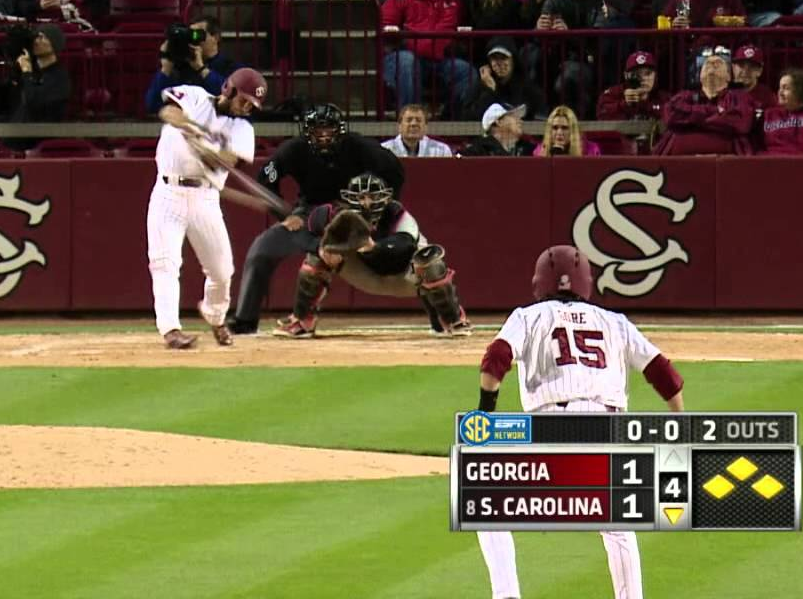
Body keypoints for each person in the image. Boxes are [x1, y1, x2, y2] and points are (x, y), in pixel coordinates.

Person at [475, 245, 685, 599]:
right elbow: (663, 373)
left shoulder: (528, 317)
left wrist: (485, 412)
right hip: (607, 428)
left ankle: (507, 595)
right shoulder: (615, 322)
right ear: (587, 281)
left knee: (483, 496)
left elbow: (495, 360)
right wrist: (679, 427)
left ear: (539, 281)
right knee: (617, 525)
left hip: (550, 427)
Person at [228, 103, 404, 335]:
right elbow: (266, 179)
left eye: (328, 130)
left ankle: (303, 317)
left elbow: (395, 171)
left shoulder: (358, 145)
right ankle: (245, 320)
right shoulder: (294, 149)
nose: (323, 136)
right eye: (317, 131)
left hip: (350, 215)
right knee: (261, 250)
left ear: (340, 130)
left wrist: (376, 212)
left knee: (377, 259)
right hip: (308, 213)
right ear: (307, 131)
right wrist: (286, 214)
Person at [273, 173, 471, 338]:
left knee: (432, 262)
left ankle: (452, 319)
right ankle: (302, 320)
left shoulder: (398, 215)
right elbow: (303, 236)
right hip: (363, 273)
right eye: (361, 197)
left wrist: (375, 247)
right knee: (315, 258)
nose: (367, 203)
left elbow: (403, 247)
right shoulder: (332, 215)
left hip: (404, 276)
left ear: (385, 198)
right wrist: (321, 248)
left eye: (373, 196)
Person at [149, 70, 264, 349]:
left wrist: (204, 147)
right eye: (244, 100)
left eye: (252, 105)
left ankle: (215, 316)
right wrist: (191, 128)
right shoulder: (196, 96)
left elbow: (226, 161)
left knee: (222, 270)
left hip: (205, 198)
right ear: (229, 89)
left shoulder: (242, 129)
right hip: (168, 192)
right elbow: (168, 111)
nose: (246, 107)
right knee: (164, 263)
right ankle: (170, 330)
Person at [380, 0, 473, 116]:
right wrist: (396, 36)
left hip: (441, 59)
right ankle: (409, 118)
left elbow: (463, 31)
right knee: (407, 61)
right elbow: (385, 25)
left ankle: (451, 119)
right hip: (404, 56)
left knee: (466, 71)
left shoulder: (456, 2)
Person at [654, 48, 756, 155]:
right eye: (707, 63)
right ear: (700, 76)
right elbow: (670, 116)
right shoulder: (684, 95)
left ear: (729, 76)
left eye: (718, 63)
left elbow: (741, 123)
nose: (712, 64)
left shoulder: (739, 96)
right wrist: (716, 112)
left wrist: (692, 119)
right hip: (678, 163)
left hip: (727, 164)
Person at [145, 16, 242, 113]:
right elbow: (152, 105)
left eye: (197, 35)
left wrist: (202, 69)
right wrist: (166, 69)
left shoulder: (232, 68)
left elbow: (233, 99)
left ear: (215, 37)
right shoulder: (179, 70)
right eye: (190, 35)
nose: (193, 39)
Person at [463, 36, 546, 124]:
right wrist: (490, 91)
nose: (499, 63)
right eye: (494, 58)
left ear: (513, 60)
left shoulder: (527, 87)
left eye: (503, 58)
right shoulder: (481, 85)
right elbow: (468, 118)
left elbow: (541, 116)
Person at [10, 24, 71, 122]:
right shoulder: (32, 72)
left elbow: (33, 101)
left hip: (41, 132)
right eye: (35, 37)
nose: (36, 41)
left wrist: (26, 72)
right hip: (17, 130)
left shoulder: (60, 77)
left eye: (42, 37)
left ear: (54, 43)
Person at [596, 51, 667, 133]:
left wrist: (645, 103)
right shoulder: (612, 94)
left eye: (648, 73)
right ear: (626, 75)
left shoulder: (663, 97)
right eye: (636, 74)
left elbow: (672, 119)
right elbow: (602, 117)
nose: (643, 78)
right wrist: (625, 104)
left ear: (655, 75)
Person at [460, 102, 536, 156]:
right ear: (499, 122)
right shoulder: (478, 151)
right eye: (514, 116)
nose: (520, 120)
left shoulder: (527, 150)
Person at [381, 103, 452, 157]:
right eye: (409, 120)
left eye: (418, 120)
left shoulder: (442, 151)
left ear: (426, 126)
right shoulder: (384, 151)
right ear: (400, 126)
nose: (413, 124)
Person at [532, 105, 601, 156]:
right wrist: (543, 161)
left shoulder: (591, 150)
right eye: (555, 128)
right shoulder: (540, 150)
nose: (559, 133)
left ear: (572, 130)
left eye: (564, 128)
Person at [730, 44, 777, 112]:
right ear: (733, 68)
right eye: (741, 65)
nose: (745, 71)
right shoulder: (723, 94)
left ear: (760, 71)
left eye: (751, 67)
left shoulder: (769, 98)